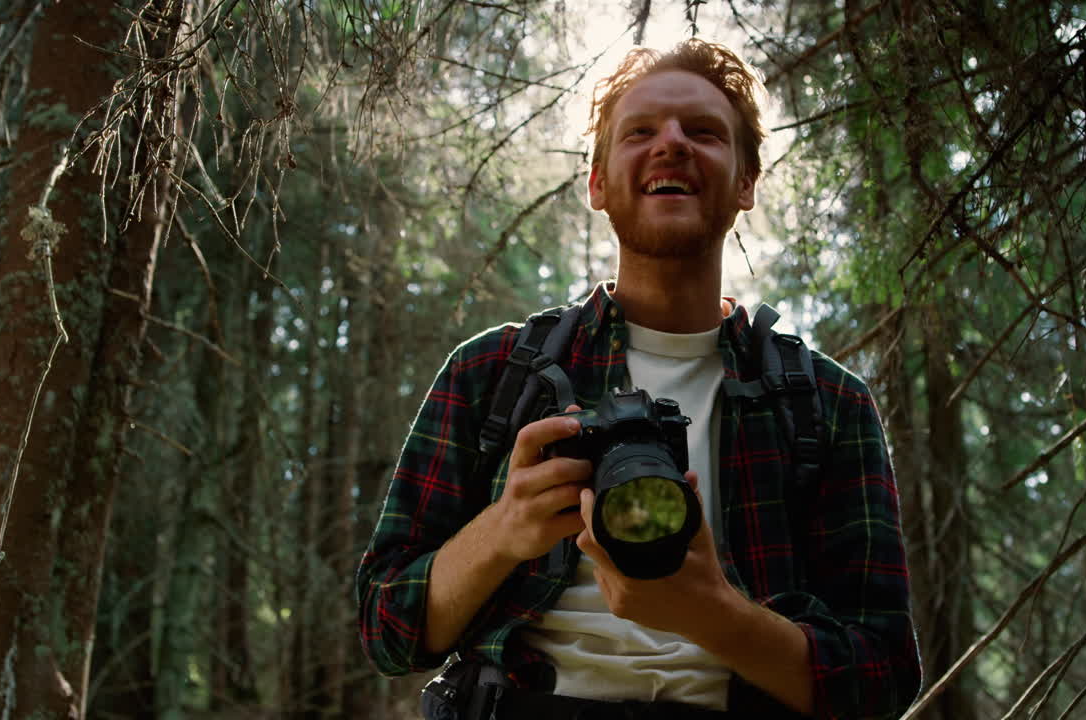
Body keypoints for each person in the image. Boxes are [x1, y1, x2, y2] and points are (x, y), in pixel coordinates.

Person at [357, 38, 922, 719]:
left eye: (705, 132)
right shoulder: (493, 374)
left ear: (746, 182)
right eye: (641, 132)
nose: (672, 145)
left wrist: (712, 614)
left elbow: (883, 679)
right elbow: (386, 630)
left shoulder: (827, 405)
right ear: (597, 183)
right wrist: (503, 530)